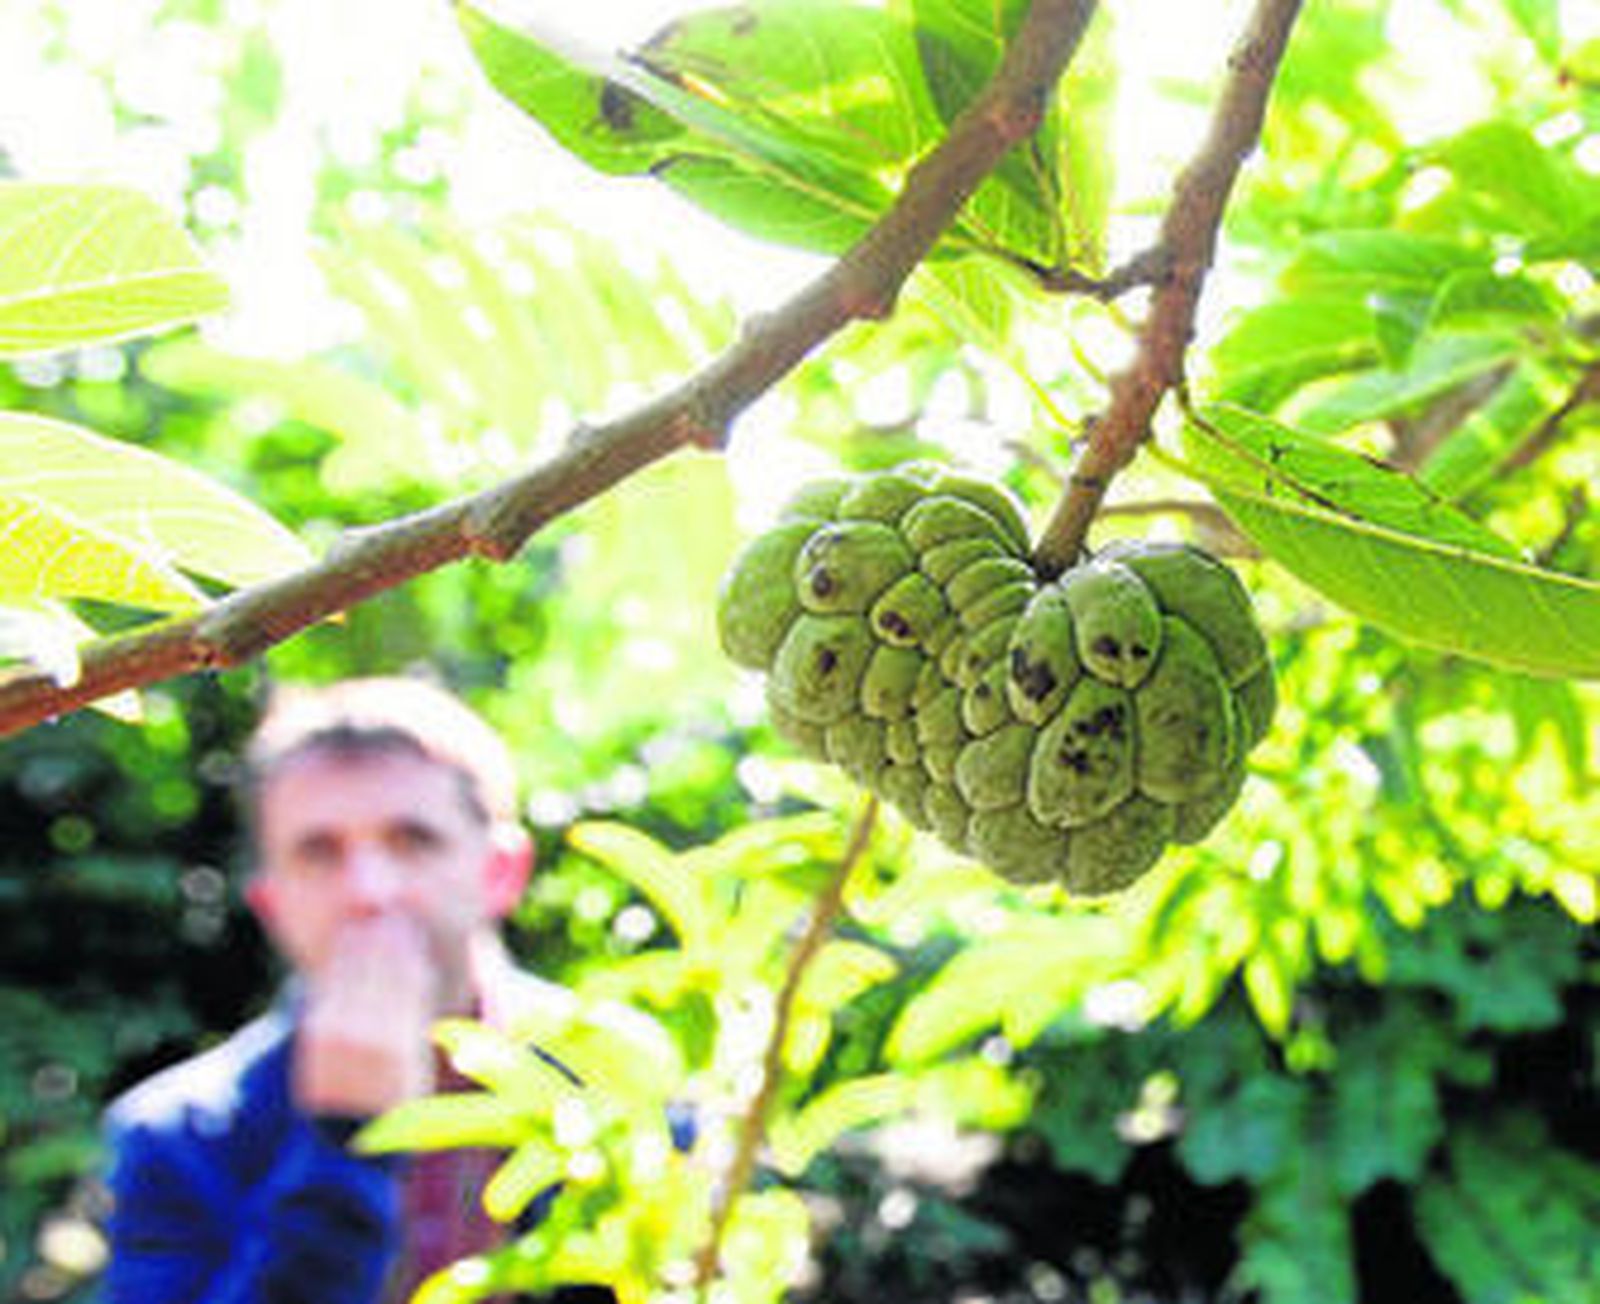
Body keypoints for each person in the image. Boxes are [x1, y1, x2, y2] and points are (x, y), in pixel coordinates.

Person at [102, 676, 565, 1303]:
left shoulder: (630, 1084)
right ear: (270, 903)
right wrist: (343, 1143)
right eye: (319, 852)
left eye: (413, 840)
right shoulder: (176, 1140)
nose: (369, 891)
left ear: (501, 871)